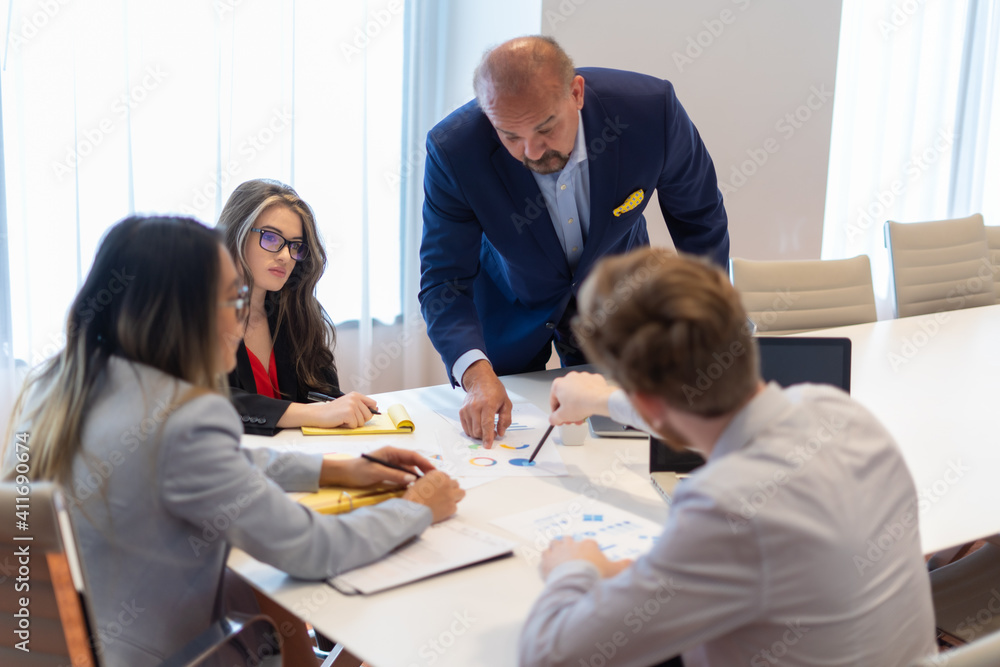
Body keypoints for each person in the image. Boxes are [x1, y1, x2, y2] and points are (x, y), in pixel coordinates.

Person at [3, 216, 464, 666]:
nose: (244, 316)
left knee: (262, 593)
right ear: (179, 312)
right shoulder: (185, 415)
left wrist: (335, 469)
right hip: (179, 653)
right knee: (339, 610)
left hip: (80, 645)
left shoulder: (57, 384)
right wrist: (419, 505)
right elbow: (314, 549)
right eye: (231, 299)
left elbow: (196, 465)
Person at [519, 248, 935, 666]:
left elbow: (549, 655)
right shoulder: (839, 412)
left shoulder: (723, 506)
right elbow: (732, 434)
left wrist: (574, 569)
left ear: (646, 400)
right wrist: (603, 399)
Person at [419, 35, 729, 448]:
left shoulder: (650, 112)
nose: (531, 151)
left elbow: (699, 219)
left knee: (625, 439)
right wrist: (475, 376)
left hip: (617, 305)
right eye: (509, 136)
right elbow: (444, 280)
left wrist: (705, 327)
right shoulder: (454, 149)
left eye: (546, 127)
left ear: (576, 93)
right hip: (511, 308)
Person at [217, 178, 376, 435]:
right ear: (237, 231)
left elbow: (321, 389)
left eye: (295, 246)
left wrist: (343, 406)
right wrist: (314, 413)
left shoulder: (295, 308)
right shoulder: (193, 310)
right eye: (271, 238)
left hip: (295, 458)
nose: (285, 256)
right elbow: (207, 401)